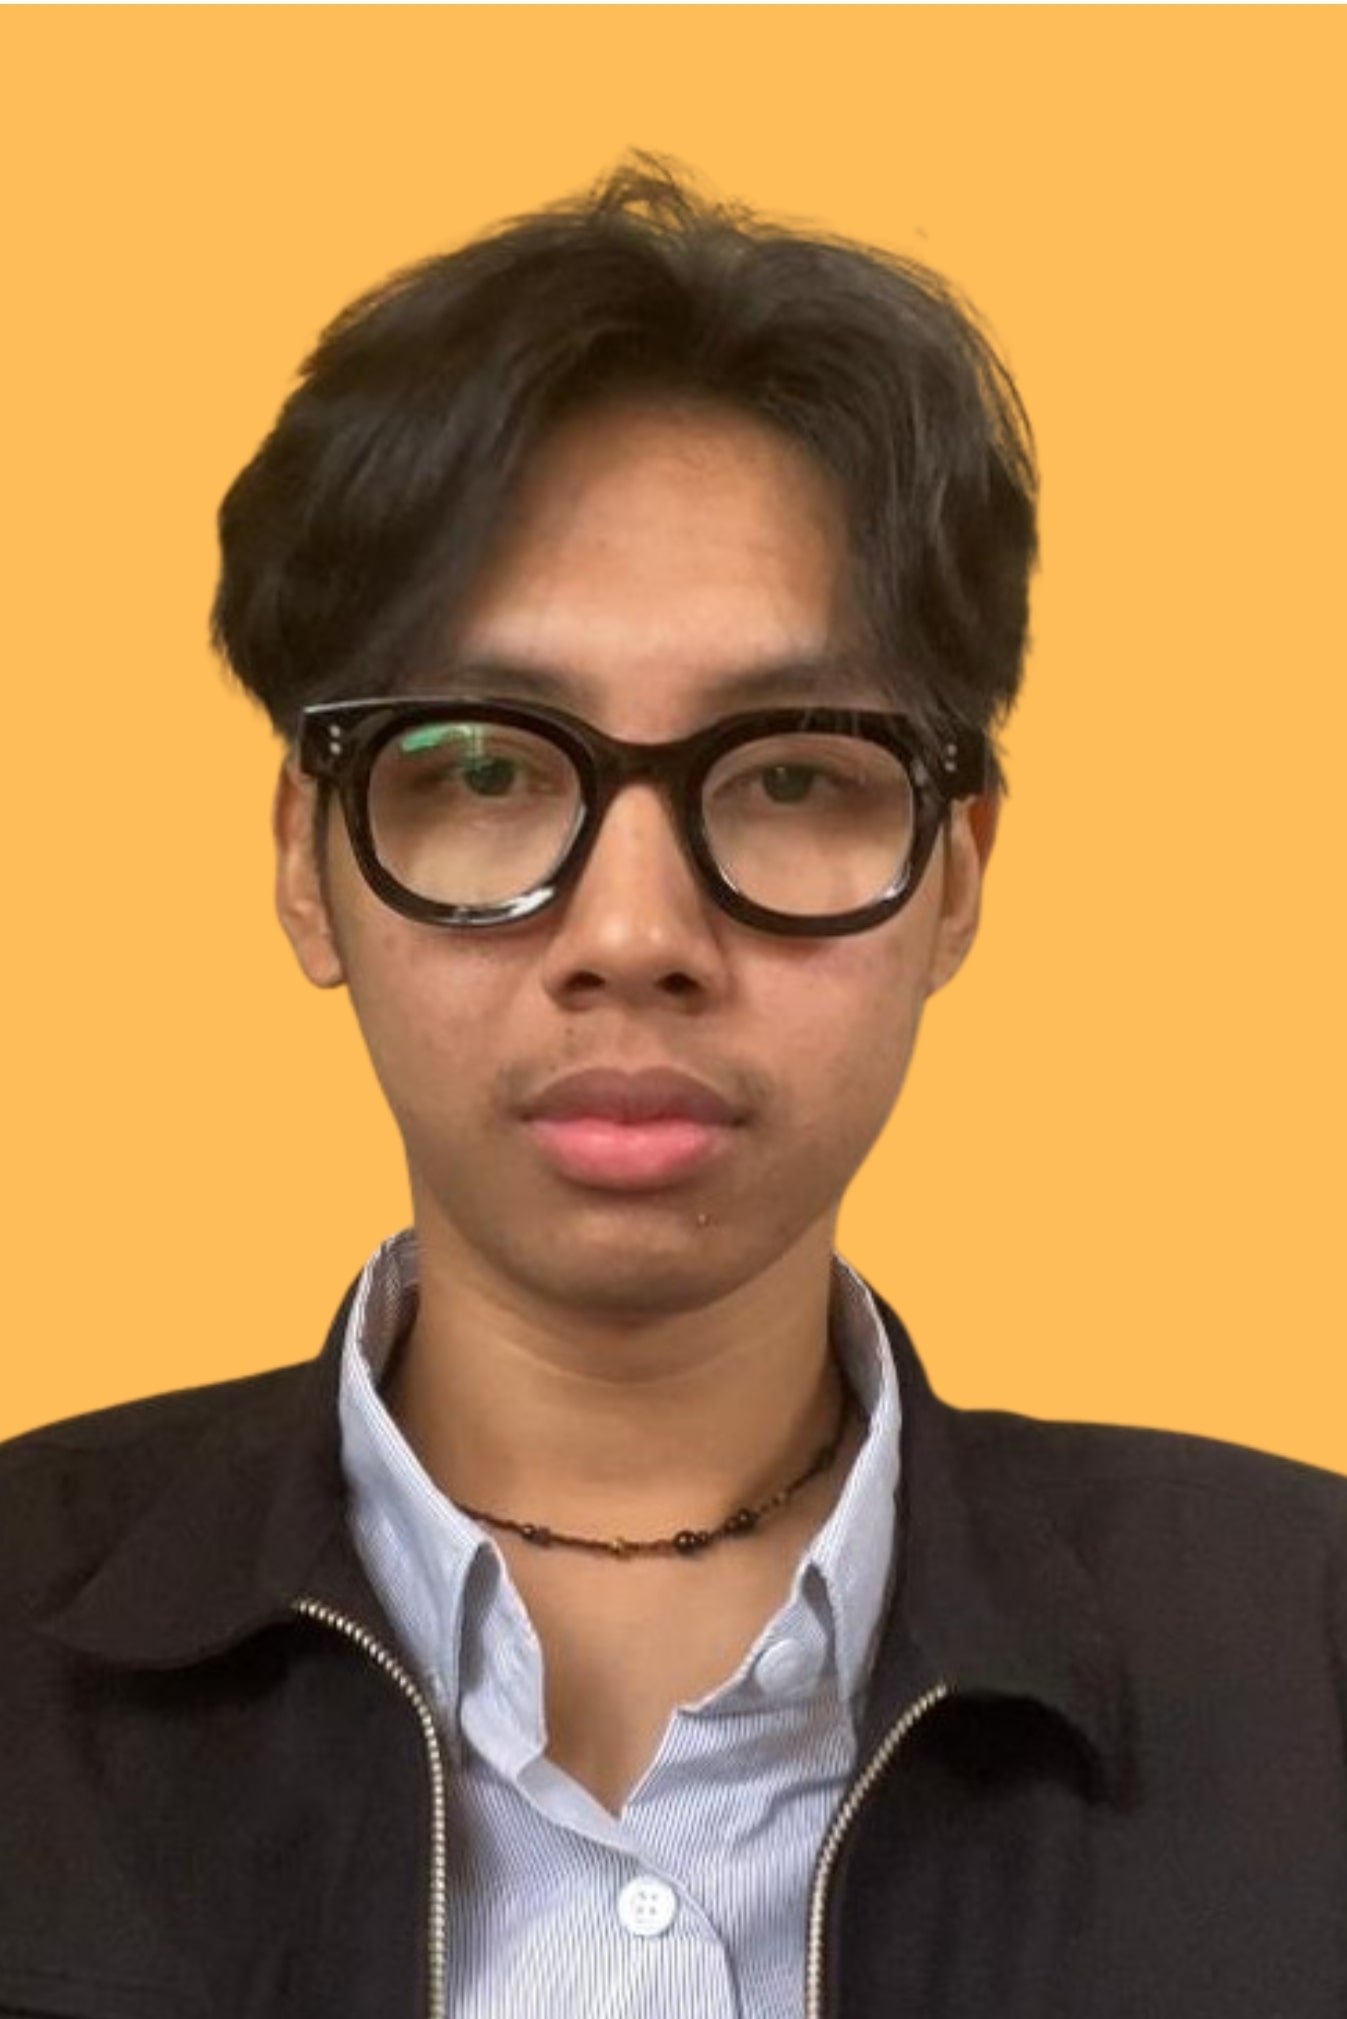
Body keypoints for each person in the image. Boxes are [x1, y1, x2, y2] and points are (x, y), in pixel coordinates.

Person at [2, 158, 1345, 2019]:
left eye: (792, 777)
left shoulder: (1306, 1654)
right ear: (310, 861)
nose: (635, 934)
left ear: (957, 874)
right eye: (485, 769)